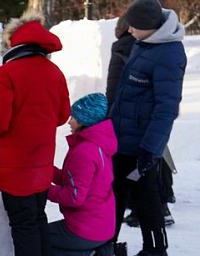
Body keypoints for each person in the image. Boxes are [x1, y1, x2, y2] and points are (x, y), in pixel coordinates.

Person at [0, 11, 71, 256]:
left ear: (13, 42)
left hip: (15, 168)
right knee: (38, 219)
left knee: (23, 226)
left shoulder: (5, 73)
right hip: (41, 165)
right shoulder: (54, 72)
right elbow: (62, 116)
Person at [108, 0, 187, 255]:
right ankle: (108, 245)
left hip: (140, 144)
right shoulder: (145, 43)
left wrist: (149, 150)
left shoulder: (168, 54)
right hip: (123, 137)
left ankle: (154, 249)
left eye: (134, 26)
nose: (129, 31)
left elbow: (167, 109)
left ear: (148, 26)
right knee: (120, 195)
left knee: (146, 198)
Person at [48, 93, 116, 256]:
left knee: (37, 238)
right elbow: (75, 180)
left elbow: (74, 197)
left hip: (86, 230)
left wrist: (44, 190)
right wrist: (45, 170)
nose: (69, 121)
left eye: (74, 117)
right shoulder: (99, 145)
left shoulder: (84, 152)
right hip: (102, 225)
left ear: (85, 120)